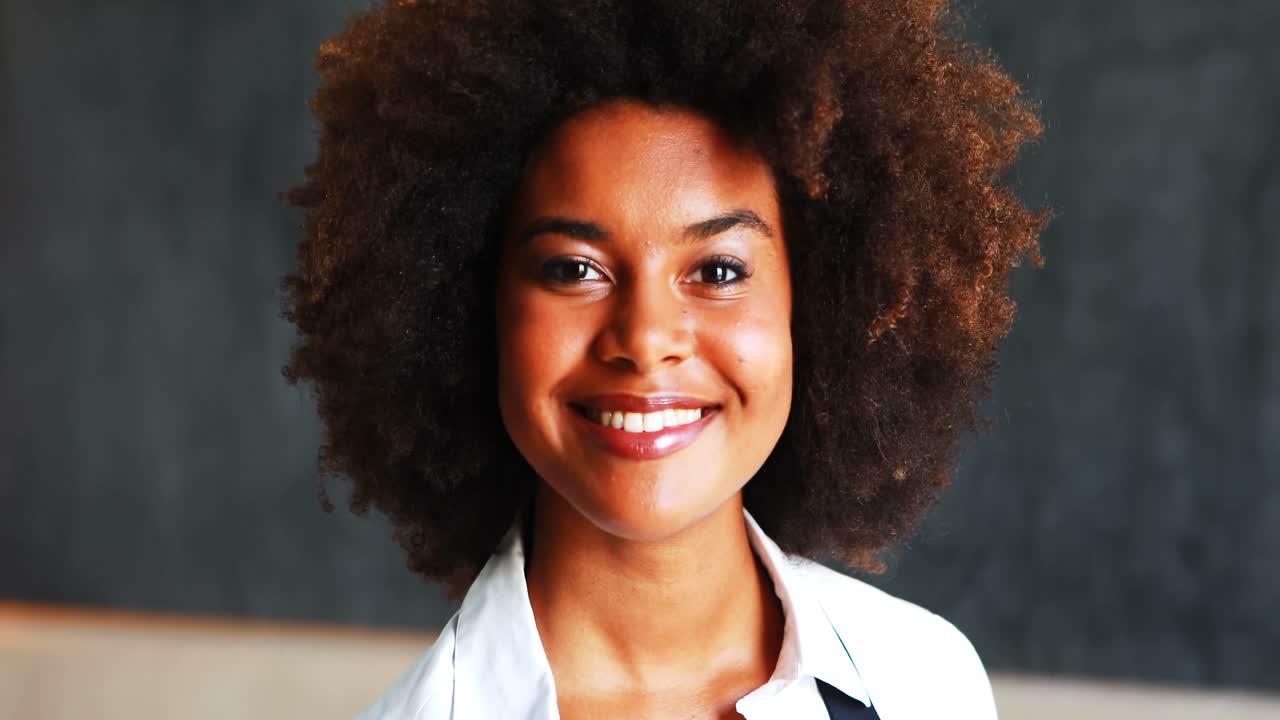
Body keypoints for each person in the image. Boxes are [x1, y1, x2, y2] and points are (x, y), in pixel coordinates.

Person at [280, 1, 1049, 717]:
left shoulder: (924, 679)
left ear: (815, 304)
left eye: (717, 271)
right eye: (574, 269)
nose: (646, 339)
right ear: (464, 310)